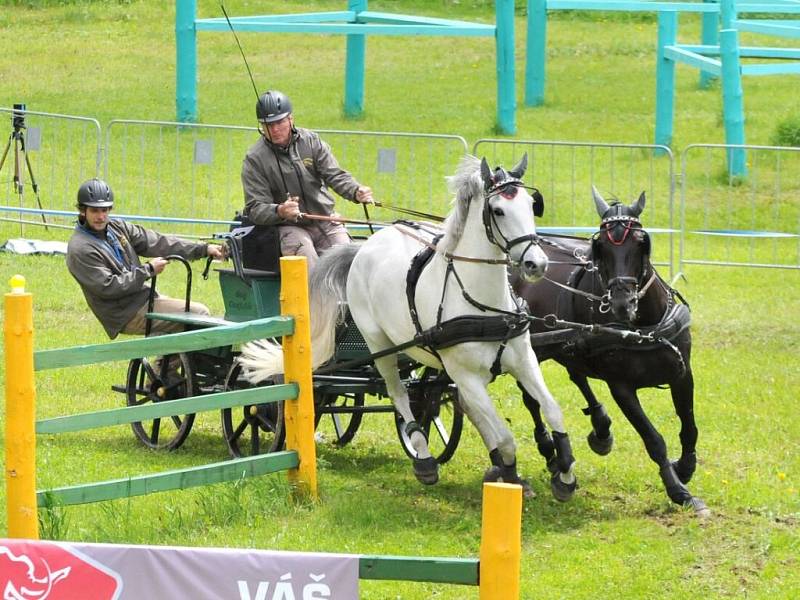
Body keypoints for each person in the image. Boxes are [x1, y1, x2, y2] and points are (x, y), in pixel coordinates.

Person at [66, 178, 226, 339]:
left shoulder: (116, 228)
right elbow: (109, 287)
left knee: (194, 320)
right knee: (199, 315)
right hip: (125, 313)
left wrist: (203, 248)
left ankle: (164, 364)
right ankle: (167, 364)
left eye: (105, 210)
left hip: (141, 299)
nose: (101, 216)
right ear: (82, 211)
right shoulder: (80, 248)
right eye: (94, 211)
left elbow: (157, 242)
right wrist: (148, 270)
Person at [241, 89, 374, 268]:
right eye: (268, 124)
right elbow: (255, 208)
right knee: (306, 259)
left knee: (347, 262)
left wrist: (355, 191)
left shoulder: (311, 141)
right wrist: (279, 211)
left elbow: (334, 174)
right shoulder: (255, 159)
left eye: (280, 122)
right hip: (288, 227)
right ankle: (311, 297)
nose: (274, 129)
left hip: (325, 220)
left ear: (291, 119)